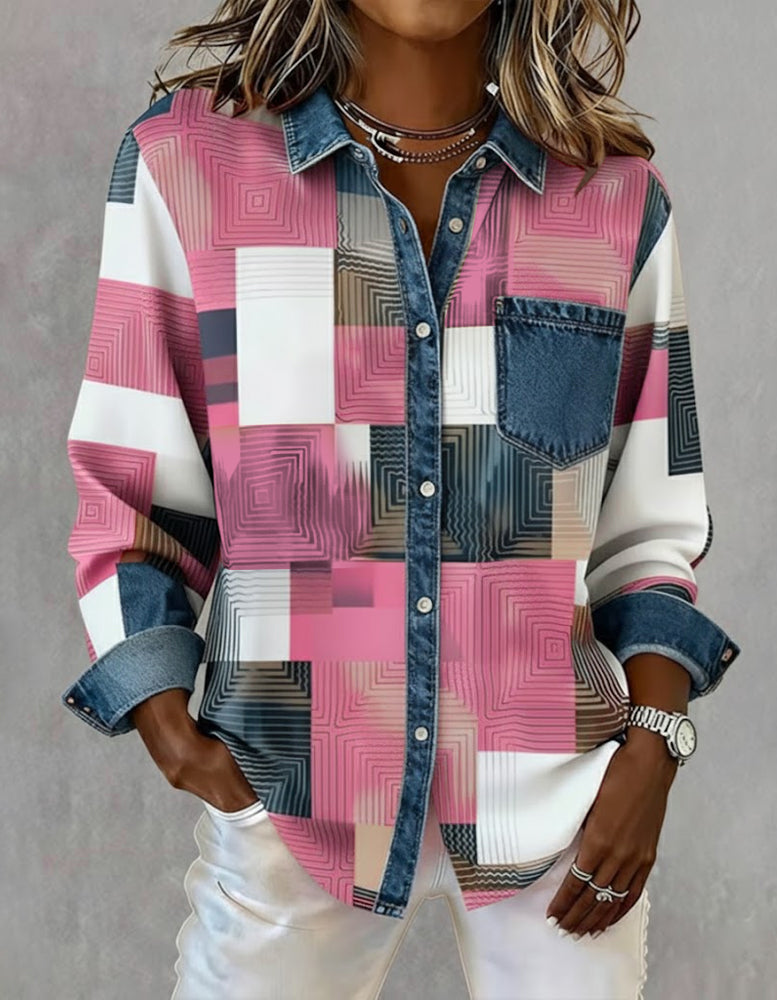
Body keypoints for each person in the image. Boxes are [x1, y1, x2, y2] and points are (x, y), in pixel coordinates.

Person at [60, 1, 742, 997]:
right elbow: (135, 484)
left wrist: (652, 751)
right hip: (291, 787)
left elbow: (649, 529)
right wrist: (169, 722)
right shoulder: (188, 166)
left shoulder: (611, 197)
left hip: (558, 807)